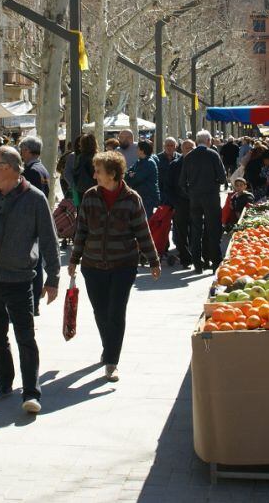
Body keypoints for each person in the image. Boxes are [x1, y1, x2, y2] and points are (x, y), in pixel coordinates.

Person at [0, 146, 59, 414]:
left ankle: (31, 392)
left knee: (24, 336)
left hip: (18, 279)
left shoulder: (35, 199)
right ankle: (4, 382)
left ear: (6, 168)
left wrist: (53, 278)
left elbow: (50, 240)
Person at [69, 150, 160, 382]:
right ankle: (108, 346)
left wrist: (153, 260)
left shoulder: (132, 199)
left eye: (98, 171)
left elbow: (143, 231)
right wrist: (74, 259)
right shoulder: (90, 196)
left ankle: (111, 361)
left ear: (112, 174)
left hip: (123, 264)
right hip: (92, 264)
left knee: (116, 312)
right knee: (101, 311)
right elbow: (81, 230)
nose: (95, 175)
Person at [181, 130, 226, 271]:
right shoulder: (213, 154)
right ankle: (215, 262)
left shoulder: (188, 156)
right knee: (213, 229)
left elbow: (182, 181)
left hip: (195, 197)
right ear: (208, 141)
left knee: (196, 230)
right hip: (211, 196)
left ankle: (197, 263)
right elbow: (222, 177)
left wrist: (191, 192)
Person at [19, 136, 51, 314]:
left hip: (31, 220)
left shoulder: (31, 171)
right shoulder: (42, 169)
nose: (21, 153)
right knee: (36, 261)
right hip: (38, 219)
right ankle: (35, 302)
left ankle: (33, 302)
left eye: (22, 149)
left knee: (33, 263)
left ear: (27, 150)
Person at [167, 139, 194, 268]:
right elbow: (169, 186)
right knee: (181, 233)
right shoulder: (175, 165)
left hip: (196, 202)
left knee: (196, 231)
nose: (189, 150)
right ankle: (185, 259)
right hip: (180, 203)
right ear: (181, 150)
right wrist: (174, 203)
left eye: (191, 148)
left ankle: (196, 256)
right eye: (186, 148)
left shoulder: (199, 164)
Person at [125, 140, 160, 217]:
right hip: (142, 196)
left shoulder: (149, 163)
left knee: (146, 221)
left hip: (148, 198)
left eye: (137, 148)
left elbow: (136, 179)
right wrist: (129, 175)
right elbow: (127, 174)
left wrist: (131, 176)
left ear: (142, 151)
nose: (136, 150)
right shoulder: (139, 162)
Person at [73, 133, 98, 200]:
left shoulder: (79, 157)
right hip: (94, 189)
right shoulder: (96, 158)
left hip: (80, 189)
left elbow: (75, 173)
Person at [157, 137, 179, 206]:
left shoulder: (180, 158)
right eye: (167, 145)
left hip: (176, 193)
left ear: (176, 147)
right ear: (164, 146)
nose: (169, 148)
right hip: (162, 192)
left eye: (171, 145)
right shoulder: (157, 158)